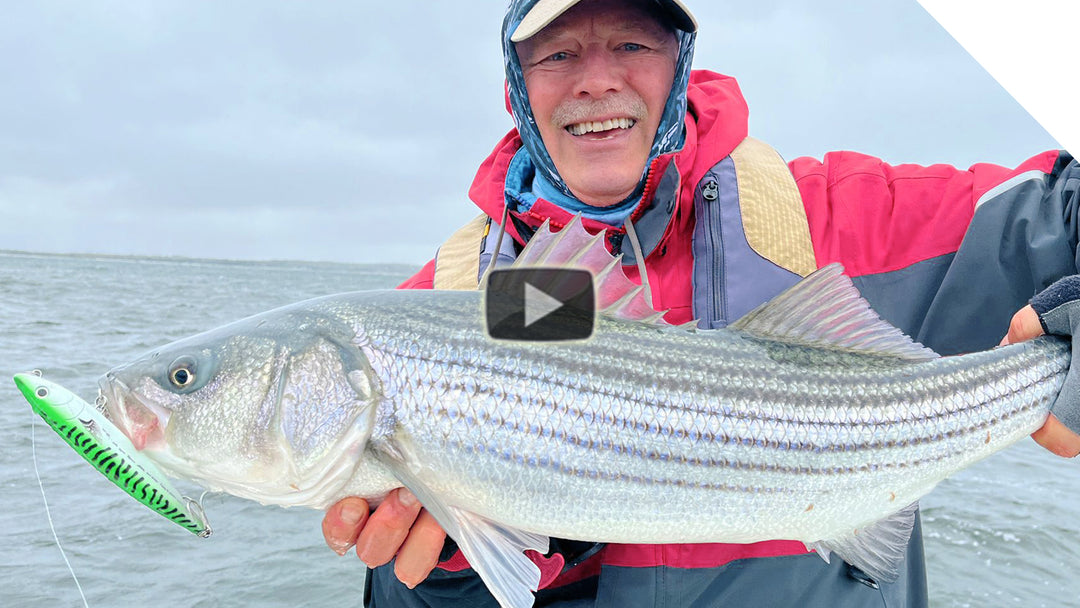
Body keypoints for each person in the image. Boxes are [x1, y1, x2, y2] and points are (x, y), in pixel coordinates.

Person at [322, 0, 1080, 605]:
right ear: (518, 83)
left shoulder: (837, 216)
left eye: (633, 44)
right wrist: (456, 565)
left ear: (679, 62)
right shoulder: (449, 306)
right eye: (557, 53)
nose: (596, 81)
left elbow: (1064, 206)